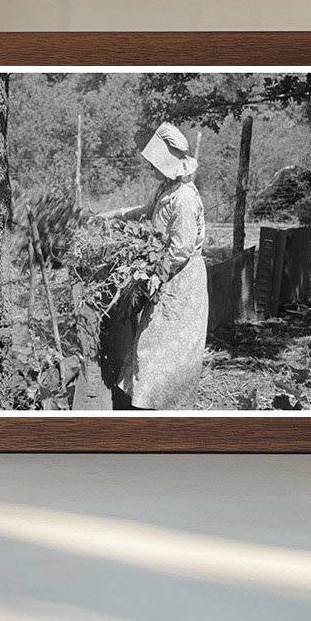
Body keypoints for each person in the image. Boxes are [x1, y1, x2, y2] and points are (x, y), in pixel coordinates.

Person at [101, 123, 208, 410]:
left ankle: (163, 411)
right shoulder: (166, 188)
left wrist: (156, 275)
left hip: (181, 281)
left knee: (165, 348)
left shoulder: (184, 197)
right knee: (151, 346)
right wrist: (114, 215)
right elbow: (147, 213)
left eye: (154, 163)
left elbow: (182, 247)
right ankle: (147, 405)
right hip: (168, 275)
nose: (150, 168)